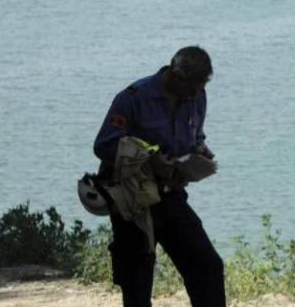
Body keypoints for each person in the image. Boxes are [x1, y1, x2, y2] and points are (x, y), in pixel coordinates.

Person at [93, 46, 226, 307]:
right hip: (132, 201)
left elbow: (195, 135)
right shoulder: (132, 99)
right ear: (175, 77)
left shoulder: (197, 96)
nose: (196, 95)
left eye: (200, 88)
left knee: (207, 266)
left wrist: (199, 150)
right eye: (192, 88)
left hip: (170, 195)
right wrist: (149, 160)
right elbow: (104, 146)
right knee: (137, 282)